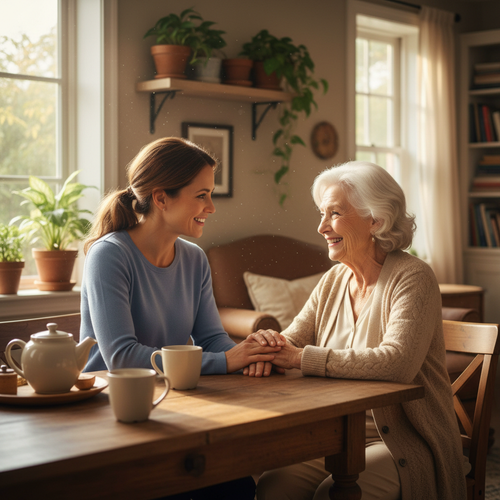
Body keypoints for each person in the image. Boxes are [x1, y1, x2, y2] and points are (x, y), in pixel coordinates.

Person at [246, 161, 468, 500]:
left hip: (403, 439)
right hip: (335, 436)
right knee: (273, 489)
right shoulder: (334, 280)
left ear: (375, 220)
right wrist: (268, 345)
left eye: (334, 213)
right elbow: (291, 339)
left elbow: (397, 363)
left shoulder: (413, 277)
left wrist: (300, 358)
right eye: (322, 214)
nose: (322, 227)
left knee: (334, 494)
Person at [80, 137, 280, 500]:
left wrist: (251, 351)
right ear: (161, 198)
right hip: (113, 416)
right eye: (201, 195)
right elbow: (121, 358)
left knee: (239, 486)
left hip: (176, 404)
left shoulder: (193, 258)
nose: (211, 207)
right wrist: (223, 362)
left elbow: (211, 336)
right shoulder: (108, 256)